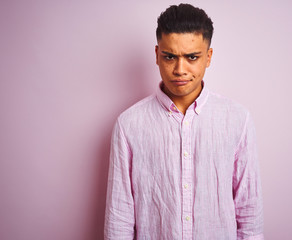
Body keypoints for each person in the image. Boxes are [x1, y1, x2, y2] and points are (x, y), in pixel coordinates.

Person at [104, 3, 264, 240]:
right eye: (170, 57)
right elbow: (119, 217)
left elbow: (249, 212)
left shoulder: (237, 120)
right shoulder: (129, 125)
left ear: (208, 57)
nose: (180, 69)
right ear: (157, 55)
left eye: (192, 57)